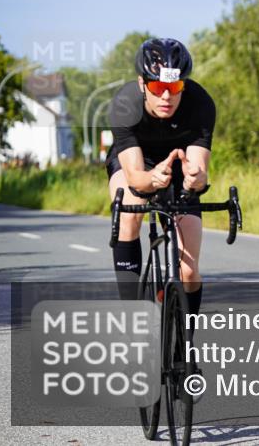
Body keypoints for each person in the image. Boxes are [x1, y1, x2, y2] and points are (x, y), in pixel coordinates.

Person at [107, 38, 215, 322]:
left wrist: (195, 180)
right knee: (129, 211)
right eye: (157, 88)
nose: (166, 97)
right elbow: (136, 179)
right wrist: (153, 180)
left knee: (189, 272)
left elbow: (199, 170)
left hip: (176, 163)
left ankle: (185, 348)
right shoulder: (124, 105)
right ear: (143, 84)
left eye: (175, 87)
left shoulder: (200, 104)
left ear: (183, 85)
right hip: (135, 162)